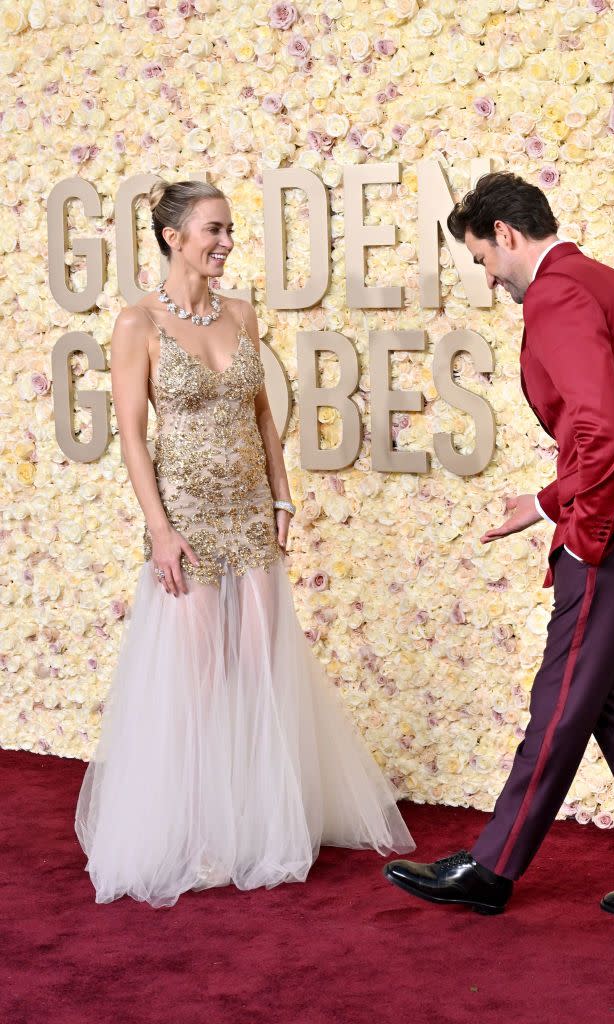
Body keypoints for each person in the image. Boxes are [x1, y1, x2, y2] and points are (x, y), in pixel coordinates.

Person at [383, 172, 614, 923]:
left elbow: (603, 430)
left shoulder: (557, 294)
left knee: (561, 702)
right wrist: (543, 505)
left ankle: (490, 869)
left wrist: (581, 539)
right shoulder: (610, 282)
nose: (488, 276)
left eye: (481, 259)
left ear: (505, 233)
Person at [75, 179, 413, 907]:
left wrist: (283, 494)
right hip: (188, 520)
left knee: (260, 666)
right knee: (199, 677)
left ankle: (260, 825)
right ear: (174, 236)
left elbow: (264, 416)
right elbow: (133, 437)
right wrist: (159, 529)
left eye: (229, 230)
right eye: (213, 230)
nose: (226, 242)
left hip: (252, 513)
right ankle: (199, 833)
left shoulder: (241, 313)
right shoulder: (137, 325)